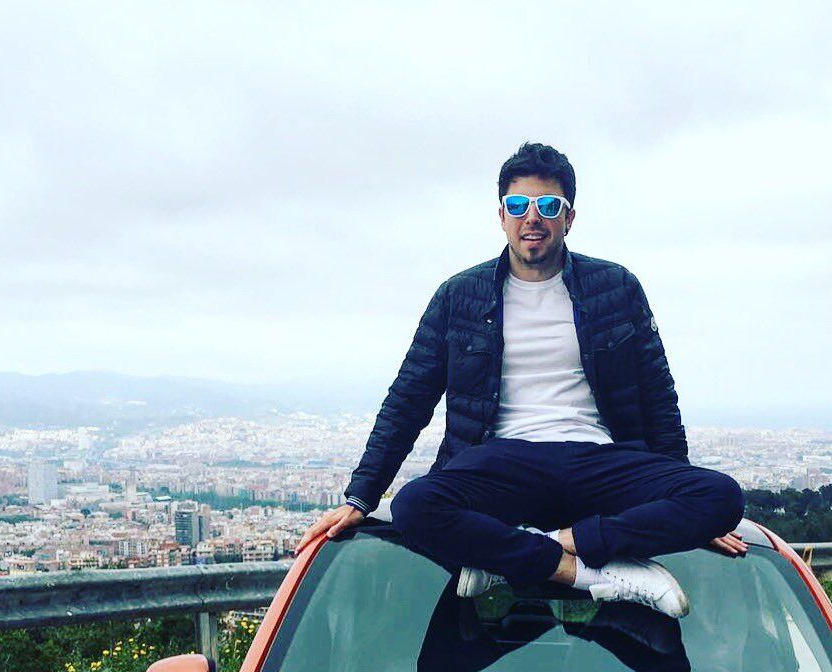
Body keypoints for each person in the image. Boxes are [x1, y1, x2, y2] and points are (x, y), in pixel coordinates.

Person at [299, 142, 747, 618]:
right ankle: (583, 570)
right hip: (504, 461)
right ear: (501, 217)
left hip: (597, 459)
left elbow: (657, 395)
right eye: (518, 205)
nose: (532, 217)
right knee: (412, 506)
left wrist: (676, 502)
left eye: (548, 205)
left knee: (722, 497)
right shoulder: (458, 296)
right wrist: (362, 495)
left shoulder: (616, 287)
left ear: (569, 218)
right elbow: (408, 399)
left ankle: (532, 549)